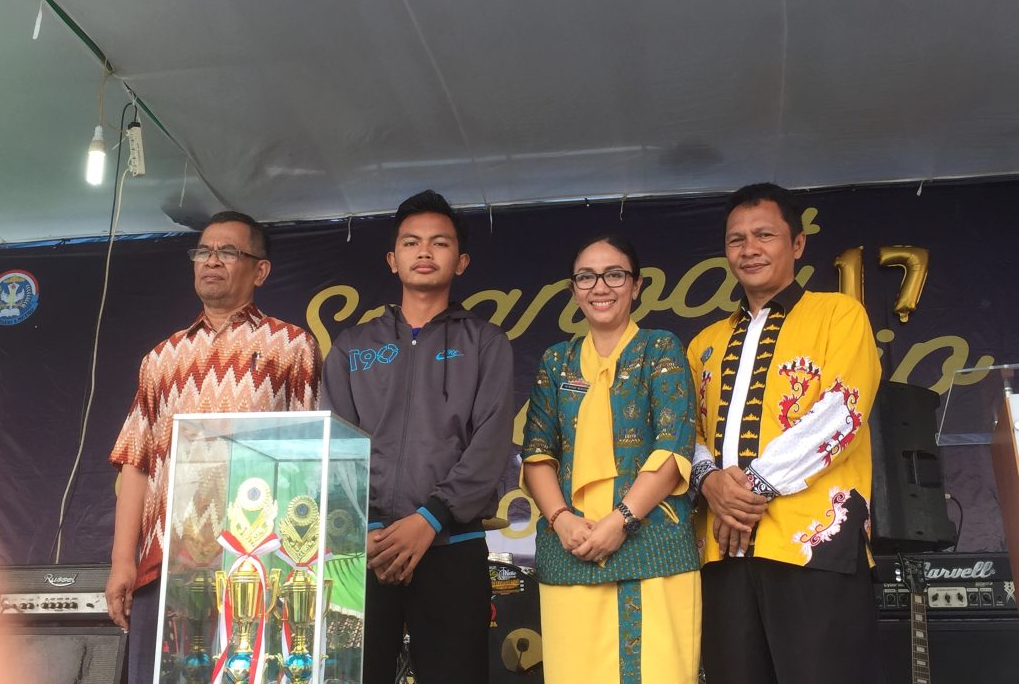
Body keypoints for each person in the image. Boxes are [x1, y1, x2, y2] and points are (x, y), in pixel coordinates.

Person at [105, 211, 321, 683]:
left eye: (227, 252)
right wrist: (123, 562)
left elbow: (307, 463)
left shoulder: (291, 346)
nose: (212, 261)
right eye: (203, 251)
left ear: (260, 270)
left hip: (254, 561)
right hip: (165, 563)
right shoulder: (160, 359)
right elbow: (136, 463)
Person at [687, 183, 882, 684]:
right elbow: (685, 430)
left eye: (764, 235)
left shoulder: (839, 315)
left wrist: (749, 489)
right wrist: (709, 481)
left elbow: (841, 412)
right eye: (736, 239)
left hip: (813, 546)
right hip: (723, 552)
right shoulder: (704, 343)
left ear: (797, 244)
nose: (749, 249)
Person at [319, 190, 515, 684]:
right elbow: (334, 447)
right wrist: (361, 528)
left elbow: (491, 444)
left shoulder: (485, 342)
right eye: (411, 242)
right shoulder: (353, 346)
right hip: (363, 550)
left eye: (439, 243)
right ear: (393, 259)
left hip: (451, 543)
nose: (424, 252)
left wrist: (431, 518)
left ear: (461, 261)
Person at [522, 234, 700, 684]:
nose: (600, 287)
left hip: (653, 551)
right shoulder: (556, 362)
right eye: (586, 277)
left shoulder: (660, 349)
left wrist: (621, 520)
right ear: (573, 290)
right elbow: (537, 452)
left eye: (614, 275)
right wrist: (561, 519)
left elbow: (673, 448)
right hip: (571, 551)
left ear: (636, 285)